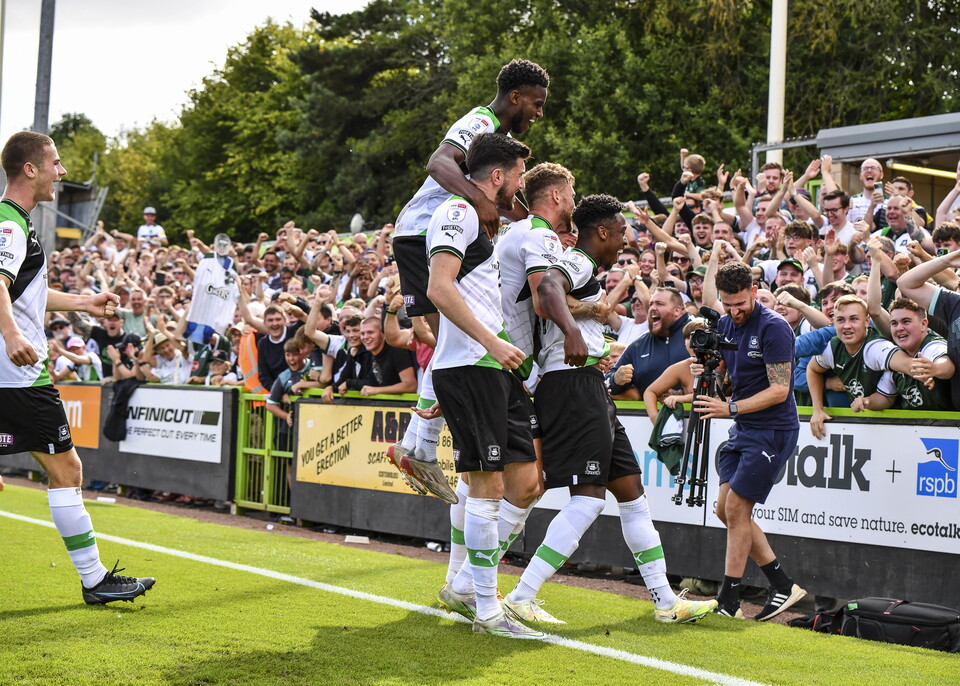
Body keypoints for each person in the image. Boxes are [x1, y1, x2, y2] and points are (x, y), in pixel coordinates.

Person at [504, 193, 716, 625]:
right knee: (588, 500)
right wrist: (573, 334)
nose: (625, 240)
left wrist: (585, 334)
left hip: (585, 385)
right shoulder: (578, 261)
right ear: (601, 232)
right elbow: (547, 288)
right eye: (620, 232)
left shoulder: (583, 266)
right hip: (572, 385)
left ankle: (665, 602)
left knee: (632, 494)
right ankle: (521, 595)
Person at [0, 131, 155, 604]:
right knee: (67, 470)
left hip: (10, 373)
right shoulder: (9, 223)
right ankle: (94, 580)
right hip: (20, 375)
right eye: (56, 162)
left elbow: (27, 292)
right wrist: (13, 336)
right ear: (30, 168)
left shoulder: (16, 222)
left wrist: (85, 302)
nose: (62, 172)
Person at [389, 59, 549, 499]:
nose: (539, 113)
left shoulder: (501, 143)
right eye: (536, 103)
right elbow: (438, 162)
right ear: (515, 96)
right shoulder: (481, 120)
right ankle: (418, 448)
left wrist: (541, 224)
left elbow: (506, 204)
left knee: (451, 340)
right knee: (454, 339)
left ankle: (417, 445)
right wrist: (478, 199)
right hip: (425, 231)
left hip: (431, 233)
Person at [426, 133, 542, 639]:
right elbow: (438, 288)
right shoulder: (459, 211)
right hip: (475, 364)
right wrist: (489, 344)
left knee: (526, 482)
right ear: (498, 176)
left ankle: (465, 586)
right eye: (518, 175)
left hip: (492, 367)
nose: (520, 184)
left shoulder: (482, 217)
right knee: (487, 486)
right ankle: (487, 609)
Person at [693, 261, 805, 621]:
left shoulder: (774, 327)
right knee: (725, 510)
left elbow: (779, 390)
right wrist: (707, 370)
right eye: (728, 304)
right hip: (743, 426)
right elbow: (727, 378)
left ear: (754, 292)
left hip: (773, 428)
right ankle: (783, 584)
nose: (734, 311)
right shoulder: (726, 323)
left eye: (740, 303)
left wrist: (730, 407)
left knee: (738, 509)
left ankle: (729, 601)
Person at [607, 287, 691, 399]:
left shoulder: (697, 335)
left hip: (696, 409)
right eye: (651, 304)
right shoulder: (639, 345)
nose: (652, 308)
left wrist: (681, 395)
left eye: (659, 304)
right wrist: (615, 380)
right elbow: (606, 384)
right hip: (648, 410)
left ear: (677, 310)